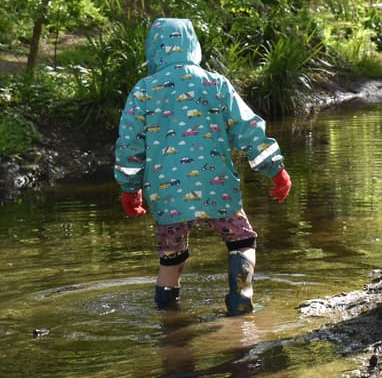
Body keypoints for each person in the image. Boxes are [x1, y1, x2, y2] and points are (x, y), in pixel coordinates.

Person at [114, 17, 292, 316]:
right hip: (216, 186)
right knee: (242, 240)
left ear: (152, 50)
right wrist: (275, 169)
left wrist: (129, 190)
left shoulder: (143, 92)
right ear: (192, 46)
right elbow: (247, 129)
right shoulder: (215, 84)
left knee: (171, 258)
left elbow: (130, 145)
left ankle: (169, 322)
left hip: (167, 195)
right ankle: (241, 293)